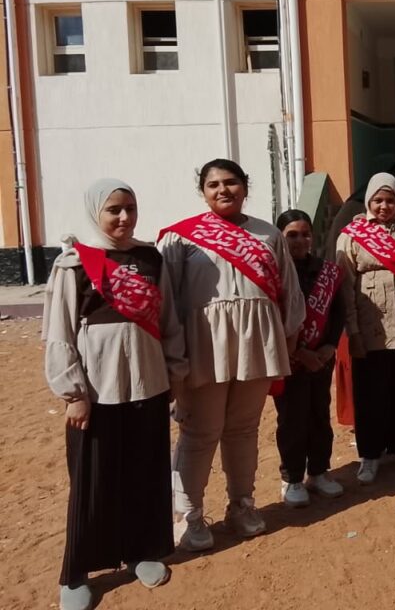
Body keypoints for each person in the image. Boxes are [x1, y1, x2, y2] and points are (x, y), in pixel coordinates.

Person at [43, 179, 187, 610]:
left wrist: (175, 372)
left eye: (130, 208)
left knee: (145, 471)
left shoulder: (150, 259)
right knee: (93, 480)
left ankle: (142, 551)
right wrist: (73, 393)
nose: (124, 218)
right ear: (96, 213)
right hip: (96, 389)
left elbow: (169, 320)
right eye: (114, 210)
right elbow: (59, 331)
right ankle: (77, 573)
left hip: (149, 383)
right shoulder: (74, 264)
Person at [159, 159, 305, 552]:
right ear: (203, 191)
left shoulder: (268, 234)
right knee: (200, 431)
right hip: (204, 345)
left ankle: (241, 505)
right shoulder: (180, 239)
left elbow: (288, 289)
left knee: (243, 429)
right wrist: (173, 357)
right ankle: (187, 515)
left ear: (245, 186)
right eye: (213, 184)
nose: (223, 190)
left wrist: (288, 336)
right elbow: (166, 302)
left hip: (257, 343)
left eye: (231, 182)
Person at [336, 172, 395, 484]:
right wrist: (353, 331)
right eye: (378, 200)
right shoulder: (351, 235)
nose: (384, 206)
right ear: (368, 201)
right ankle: (370, 454)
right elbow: (346, 287)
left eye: (390, 200)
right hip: (370, 328)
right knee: (370, 394)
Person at [272, 209, 347, 507]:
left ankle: (318, 471)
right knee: (292, 419)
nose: (300, 240)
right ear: (280, 238)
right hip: (288, 360)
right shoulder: (274, 272)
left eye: (305, 234)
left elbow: (338, 311)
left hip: (321, 358)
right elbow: (272, 317)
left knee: (319, 415)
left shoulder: (326, 271)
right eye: (292, 235)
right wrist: (299, 352)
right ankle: (291, 478)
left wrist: (328, 346)